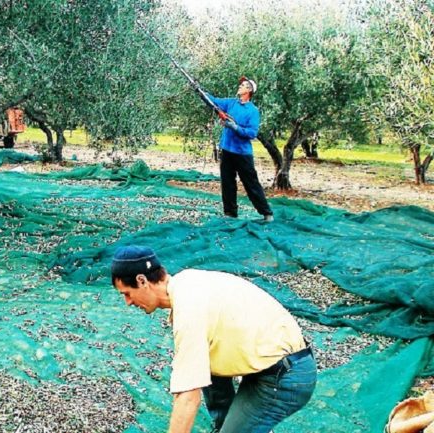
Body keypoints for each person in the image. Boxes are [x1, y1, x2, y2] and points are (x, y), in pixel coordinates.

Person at [110, 245, 316, 433]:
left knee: (195, 372)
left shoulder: (189, 310)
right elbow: (192, 374)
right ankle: (225, 424)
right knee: (200, 362)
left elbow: (188, 396)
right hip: (268, 365)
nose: (128, 302)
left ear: (142, 280)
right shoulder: (187, 281)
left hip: (286, 376)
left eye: (127, 293)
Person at [206, 77, 274, 222]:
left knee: (251, 184)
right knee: (227, 183)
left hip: (242, 153)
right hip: (227, 150)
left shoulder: (253, 111)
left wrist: (235, 127)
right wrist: (200, 91)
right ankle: (230, 213)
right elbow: (214, 101)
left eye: (243, 85)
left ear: (249, 90)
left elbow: (251, 133)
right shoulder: (231, 103)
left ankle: (266, 213)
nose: (240, 86)